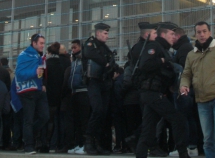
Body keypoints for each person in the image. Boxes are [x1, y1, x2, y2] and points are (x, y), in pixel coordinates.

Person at [180, 22, 215, 158]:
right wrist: (184, 84)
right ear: (195, 34)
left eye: (204, 31)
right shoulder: (191, 55)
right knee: (208, 140)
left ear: (210, 32)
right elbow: (186, 74)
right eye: (199, 32)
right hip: (202, 101)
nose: (202, 34)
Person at [135, 22, 189, 158]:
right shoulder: (154, 46)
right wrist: (163, 61)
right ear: (163, 34)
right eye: (171, 34)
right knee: (178, 120)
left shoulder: (164, 49)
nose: (174, 36)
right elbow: (145, 65)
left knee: (148, 130)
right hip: (152, 93)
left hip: (154, 94)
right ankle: (183, 153)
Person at [82, 22, 118, 155]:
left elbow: (111, 63)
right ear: (98, 33)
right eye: (105, 33)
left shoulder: (105, 48)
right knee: (97, 110)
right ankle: (89, 141)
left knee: (102, 113)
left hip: (104, 83)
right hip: (94, 82)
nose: (107, 36)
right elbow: (90, 54)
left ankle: (97, 143)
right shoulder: (91, 44)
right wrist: (106, 63)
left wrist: (115, 68)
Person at [122, 22, 158, 154]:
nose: (156, 35)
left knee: (149, 119)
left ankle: (140, 141)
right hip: (144, 88)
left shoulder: (138, 47)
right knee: (150, 119)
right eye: (154, 33)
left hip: (141, 89)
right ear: (147, 34)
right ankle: (149, 145)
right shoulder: (145, 48)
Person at [14, 33, 50, 155]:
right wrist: (34, 72)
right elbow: (19, 74)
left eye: (43, 43)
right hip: (27, 92)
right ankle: (28, 146)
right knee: (28, 119)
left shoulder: (39, 56)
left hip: (38, 90)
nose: (42, 46)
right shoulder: (24, 56)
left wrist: (43, 83)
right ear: (34, 43)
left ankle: (29, 136)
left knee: (45, 116)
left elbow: (41, 72)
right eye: (41, 43)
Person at [171, 27, 198, 157]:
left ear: (177, 36)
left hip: (183, 89)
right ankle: (191, 145)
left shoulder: (183, 49)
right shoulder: (186, 47)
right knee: (188, 117)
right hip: (187, 88)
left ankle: (187, 146)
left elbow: (183, 71)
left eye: (172, 35)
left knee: (184, 118)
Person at [65, 39, 90, 154]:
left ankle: (85, 144)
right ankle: (79, 143)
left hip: (83, 91)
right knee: (77, 120)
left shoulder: (84, 60)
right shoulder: (74, 61)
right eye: (72, 48)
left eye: (75, 47)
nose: (73, 50)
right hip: (75, 92)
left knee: (84, 119)